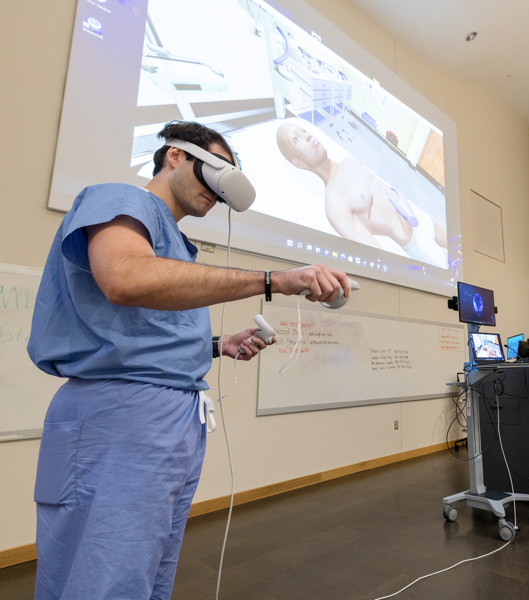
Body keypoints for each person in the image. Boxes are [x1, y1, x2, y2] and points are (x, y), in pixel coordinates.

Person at [27, 120, 351, 600]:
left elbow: (143, 334)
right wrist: (275, 280)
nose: (219, 195)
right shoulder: (121, 199)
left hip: (168, 420)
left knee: (146, 569)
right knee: (104, 573)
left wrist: (217, 345)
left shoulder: (177, 246)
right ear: (175, 156)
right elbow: (124, 278)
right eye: (217, 174)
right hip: (120, 419)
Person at [275, 121, 448, 268]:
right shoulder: (334, 205)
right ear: (298, 162)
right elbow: (376, 256)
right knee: (459, 277)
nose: (307, 135)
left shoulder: (350, 160)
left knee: (460, 245)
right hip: (416, 242)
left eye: (304, 131)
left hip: (421, 216)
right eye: (296, 138)